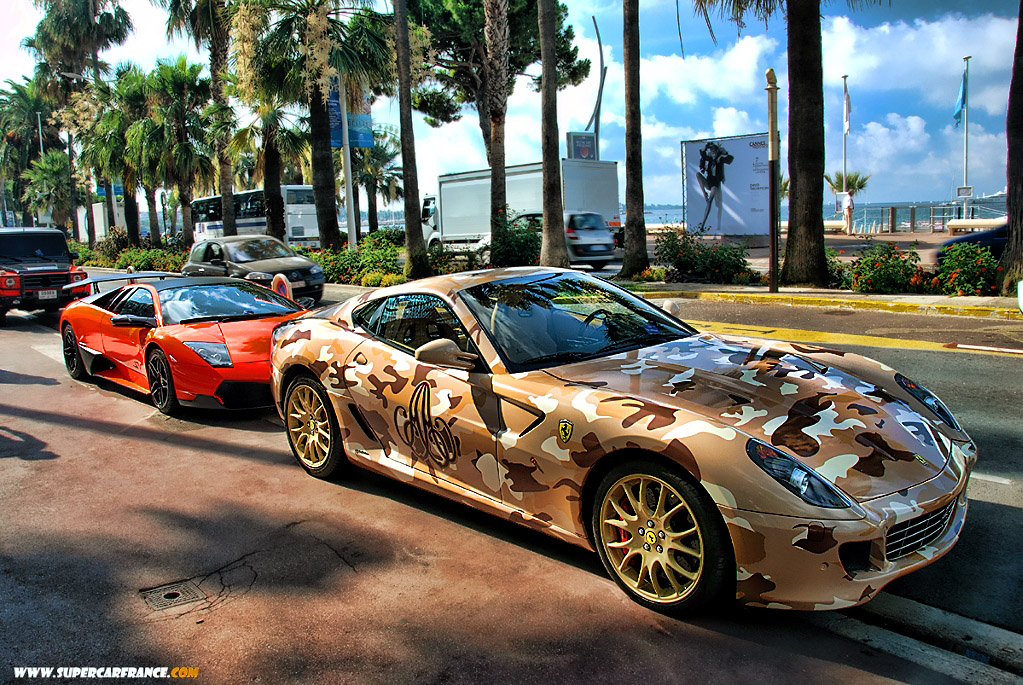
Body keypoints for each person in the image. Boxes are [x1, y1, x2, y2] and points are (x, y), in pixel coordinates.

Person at [696, 142, 734, 232]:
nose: (712, 153)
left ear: (717, 151)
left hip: (715, 184)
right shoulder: (709, 159)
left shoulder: (719, 160)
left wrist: (723, 153)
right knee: (698, 174)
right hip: (709, 182)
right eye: (711, 151)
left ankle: (709, 225)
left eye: (714, 151)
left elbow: (730, 159)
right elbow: (702, 155)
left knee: (713, 203)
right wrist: (705, 148)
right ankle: (704, 193)